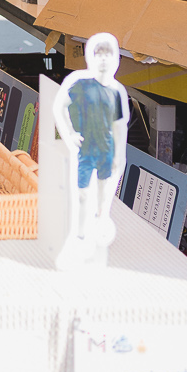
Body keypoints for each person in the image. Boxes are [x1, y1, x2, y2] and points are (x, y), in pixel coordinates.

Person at [57, 32, 131, 267]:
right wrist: (70, 133)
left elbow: (119, 126)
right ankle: (79, 235)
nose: (103, 59)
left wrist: (119, 154)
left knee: (103, 194)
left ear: (115, 59)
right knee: (81, 193)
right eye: (99, 54)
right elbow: (61, 107)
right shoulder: (80, 85)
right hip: (85, 150)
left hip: (106, 150)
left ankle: (97, 228)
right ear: (91, 57)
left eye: (108, 55)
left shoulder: (116, 92)